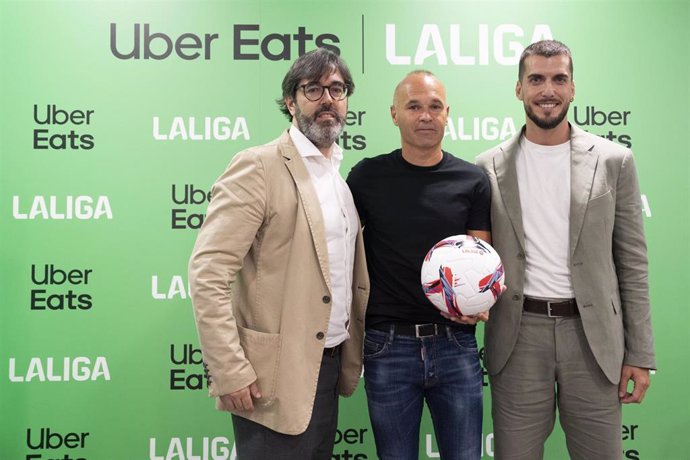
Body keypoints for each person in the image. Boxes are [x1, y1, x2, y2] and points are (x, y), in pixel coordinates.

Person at [476, 40, 655, 460]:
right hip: (517, 337)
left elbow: (632, 263)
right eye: (535, 79)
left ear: (573, 88)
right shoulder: (486, 167)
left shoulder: (615, 161)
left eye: (559, 79)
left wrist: (641, 352)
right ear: (519, 89)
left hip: (593, 340)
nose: (548, 90)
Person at [188, 48, 369, 459]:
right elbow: (208, 272)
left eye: (337, 89)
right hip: (270, 378)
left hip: (327, 365)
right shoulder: (259, 166)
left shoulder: (338, 181)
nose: (328, 99)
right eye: (313, 89)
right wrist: (229, 369)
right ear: (290, 101)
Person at [347, 70, 492, 460]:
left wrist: (481, 301)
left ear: (447, 114)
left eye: (434, 107)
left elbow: (482, 257)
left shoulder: (473, 180)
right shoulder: (365, 177)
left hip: (456, 343)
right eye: (414, 106)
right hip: (386, 346)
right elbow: (340, 250)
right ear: (394, 114)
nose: (425, 115)